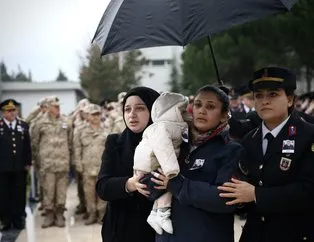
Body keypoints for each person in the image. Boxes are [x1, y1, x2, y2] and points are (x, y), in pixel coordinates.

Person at [218, 66, 314, 242]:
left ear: (290, 99)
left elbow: (308, 191)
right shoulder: (249, 140)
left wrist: (256, 194)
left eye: (273, 94)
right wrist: (239, 199)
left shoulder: (307, 136)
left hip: (293, 234)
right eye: (259, 95)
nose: (264, 101)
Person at [145, 85, 243, 242]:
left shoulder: (231, 150)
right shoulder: (175, 143)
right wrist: (153, 181)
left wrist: (178, 185)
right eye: (197, 104)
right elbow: (149, 187)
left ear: (224, 115)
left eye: (210, 106)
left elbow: (225, 199)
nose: (202, 110)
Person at [96, 86, 160, 242]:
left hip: (155, 230)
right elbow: (102, 187)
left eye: (140, 108)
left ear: (154, 110)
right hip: (121, 229)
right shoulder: (114, 142)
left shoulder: (168, 144)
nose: (132, 115)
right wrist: (130, 184)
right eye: (127, 109)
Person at [133, 92, 189, 235]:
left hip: (153, 165)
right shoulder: (163, 127)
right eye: (181, 110)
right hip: (155, 166)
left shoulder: (168, 125)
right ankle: (163, 213)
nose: (185, 112)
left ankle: (154, 214)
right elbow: (163, 148)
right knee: (167, 184)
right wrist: (170, 169)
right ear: (173, 110)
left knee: (164, 185)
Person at [32, 96, 72, 228]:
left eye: (59, 106)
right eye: (55, 106)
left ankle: (59, 214)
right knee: (49, 190)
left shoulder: (66, 121)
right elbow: (35, 143)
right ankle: (49, 215)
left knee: (61, 191)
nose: (58, 108)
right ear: (48, 107)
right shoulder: (40, 123)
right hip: (47, 163)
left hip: (62, 162)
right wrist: (40, 159)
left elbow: (70, 141)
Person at [73, 103, 108, 225]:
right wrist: (78, 165)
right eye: (93, 115)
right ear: (87, 116)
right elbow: (77, 149)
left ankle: (102, 215)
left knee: (102, 193)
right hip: (87, 167)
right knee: (89, 193)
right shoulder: (80, 130)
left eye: (97, 114)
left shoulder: (106, 129)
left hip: (102, 167)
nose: (95, 117)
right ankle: (92, 214)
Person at [0, 99, 32, 231]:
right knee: (4, 194)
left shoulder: (23, 125)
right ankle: (6, 220)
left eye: (14, 110)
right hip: (3, 168)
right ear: (3, 113)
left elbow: (27, 147)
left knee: (19, 194)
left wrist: (28, 162)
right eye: (9, 110)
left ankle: (18, 219)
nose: (12, 113)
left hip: (19, 167)